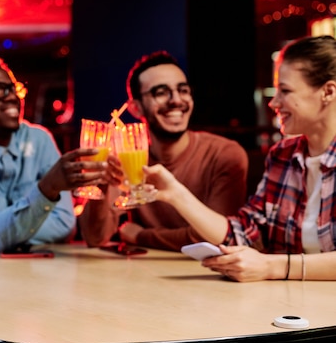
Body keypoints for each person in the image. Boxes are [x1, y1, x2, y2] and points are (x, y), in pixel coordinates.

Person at [144, 35, 336, 282]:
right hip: (292, 310)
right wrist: (175, 194)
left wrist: (272, 267)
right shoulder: (283, 156)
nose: (274, 102)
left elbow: (269, 264)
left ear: (328, 92)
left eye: (285, 91)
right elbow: (246, 232)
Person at [0, 51, 122, 253]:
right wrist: (47, 189)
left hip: (45, 273)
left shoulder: (39, 139)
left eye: (13, 88)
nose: (11, 97)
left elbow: (64, 226)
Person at [79, 50, 249, 251]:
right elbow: (95, 238)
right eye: (160, 92)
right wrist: (102, 184)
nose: (176, 100)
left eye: (183, 90)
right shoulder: (127, 158)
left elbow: (218, 238)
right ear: (135, 108)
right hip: (144, 276)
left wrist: (140, 235)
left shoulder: (224, 154)